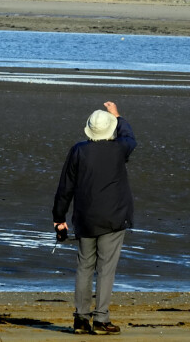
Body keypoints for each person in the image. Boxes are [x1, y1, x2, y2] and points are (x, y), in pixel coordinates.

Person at [52, 101, 137, 335]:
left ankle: (81, 319)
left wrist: (58, 217)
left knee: (85, 267)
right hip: (113, 217)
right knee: (105, 269)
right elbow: (130, 138)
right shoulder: (119, 147)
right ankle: (100, 320)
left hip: (86, 217)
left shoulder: (79, 150)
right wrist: (118, 117)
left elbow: (65, 187)